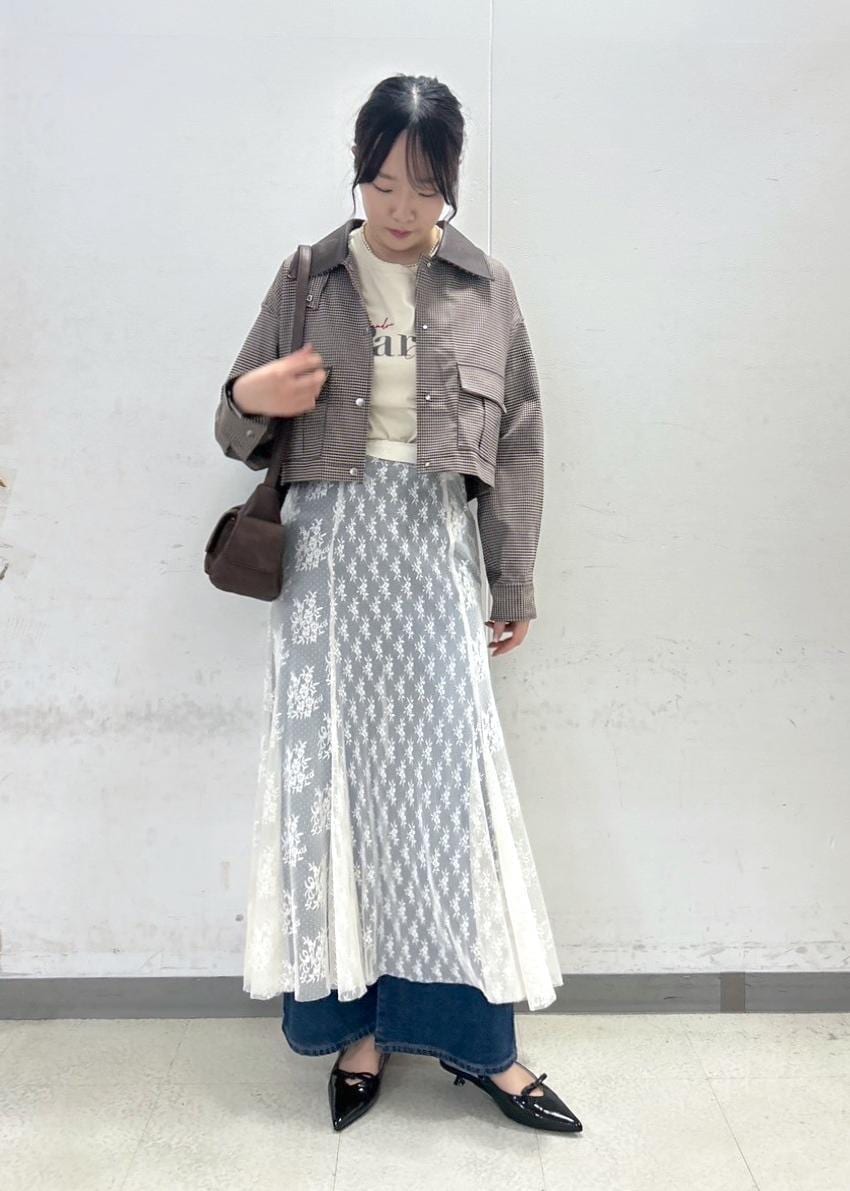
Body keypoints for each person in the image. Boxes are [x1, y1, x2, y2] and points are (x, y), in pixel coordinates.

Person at [214, 72, 582, 1136]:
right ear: (359, 174)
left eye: (423, 188)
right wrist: (249, 398)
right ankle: (359, 1032)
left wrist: (512, 579)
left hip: (430, 560)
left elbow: (518, 444)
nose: (400, 209)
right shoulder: (308, 276)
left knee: (446, 799)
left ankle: (479, 1045)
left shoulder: (485, 288)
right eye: (381, 184)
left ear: (450, 185)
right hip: (327, 568)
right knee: (338, 795)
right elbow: (233, 423)